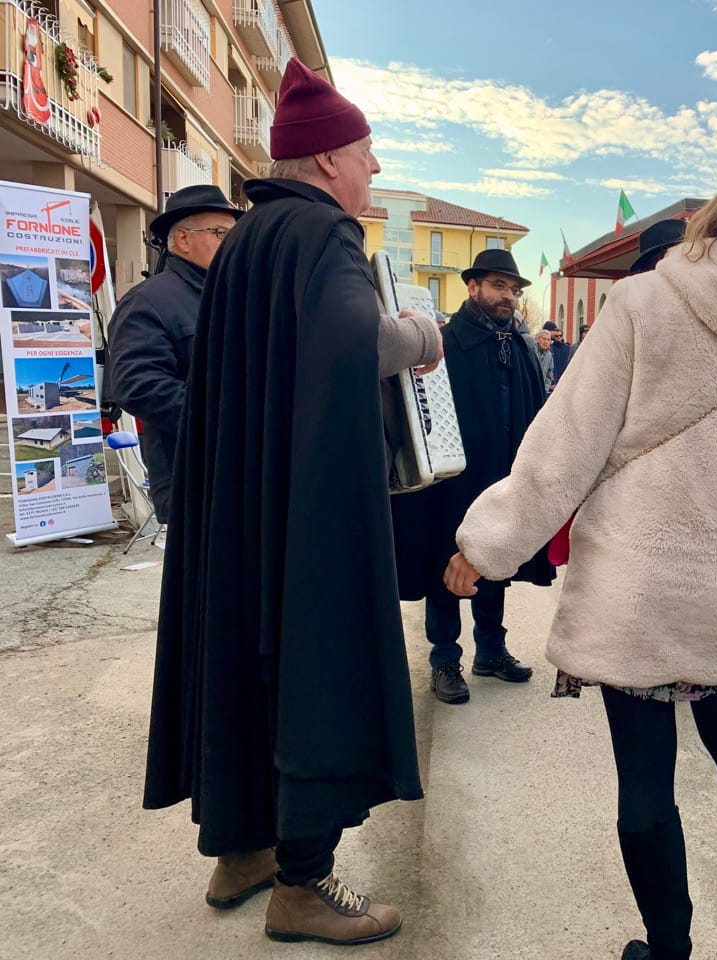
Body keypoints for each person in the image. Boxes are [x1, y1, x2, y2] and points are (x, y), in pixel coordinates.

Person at [444, 173, 717, 960]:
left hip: (632, 586)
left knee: (644, 776)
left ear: (713, 223)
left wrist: (487, 547)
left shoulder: (640, 305)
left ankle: (667, 948)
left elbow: (563, 450)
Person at [143, 58, 440, 945]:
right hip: (306, 516)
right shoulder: (322, 237)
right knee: (316, 663)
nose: (374, 170)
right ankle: (302, 882)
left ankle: (242, 850)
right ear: (324, 163)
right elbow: (354, 344)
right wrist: (422, 335)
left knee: (243, 653)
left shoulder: (250, 242)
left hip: (249, 506)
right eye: (366, 152)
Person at [392, 247, 553, 705]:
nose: (508, 296)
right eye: (499, 286)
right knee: (445, 564)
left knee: (495, 561)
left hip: (502, 475)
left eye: (514, 289)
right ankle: (444, 660)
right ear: (473, 287)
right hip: (454, 479)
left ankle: (491, 651)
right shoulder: (445, 342)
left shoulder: (520, 345)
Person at [107, 185, 241, 524]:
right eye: (220, 233)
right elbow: (137, 386)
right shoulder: (148, 301)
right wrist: (225, 417)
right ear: (183, 239)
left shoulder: (228, 297)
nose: (233, 244)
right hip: (193, 477)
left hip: (241, 471)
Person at [534, 328, 555, 395]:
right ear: (538, 340)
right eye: (544, 339)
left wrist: (544, 389)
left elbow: (549, 375)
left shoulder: (549, 355)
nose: (546, 342)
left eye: (548, 340)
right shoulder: (531, 352)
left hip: (542, 391)